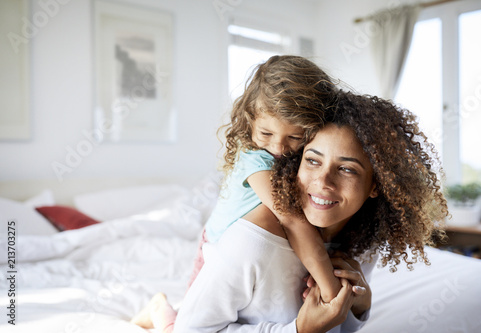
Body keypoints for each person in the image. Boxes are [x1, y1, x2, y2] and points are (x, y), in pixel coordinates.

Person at [173, 89, 449, 332]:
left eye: (346, 169)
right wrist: (299, 330)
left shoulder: (364, 235)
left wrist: (358, 304)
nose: (323, 182)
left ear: (375, 185)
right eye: (313, 161)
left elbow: (337, 327)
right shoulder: (252, 240)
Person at [131, 55, 344, 332]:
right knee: (186, 325)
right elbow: (292, 219)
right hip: (215, 250)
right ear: (250, 119)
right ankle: (158, 308)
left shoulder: (298, 159)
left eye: (294, 137)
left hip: (246, 260)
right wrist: (331, 291)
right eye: (266, 132)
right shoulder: (254, 158)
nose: (278, 148)